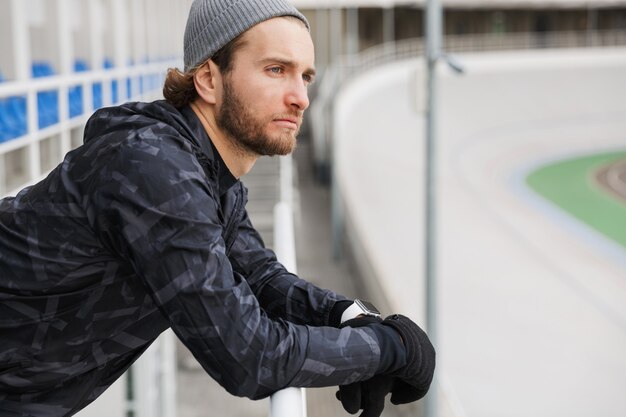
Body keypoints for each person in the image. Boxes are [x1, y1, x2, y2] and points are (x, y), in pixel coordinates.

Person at [0, 1, 435, 416]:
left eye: (305, 76)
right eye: (276, 70)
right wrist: (390, 349)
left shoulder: (208, 174)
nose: (300, 97)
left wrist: (350, 318)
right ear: (208, 79)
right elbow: (248, 355)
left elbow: (260, 276)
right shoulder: (154, 171)